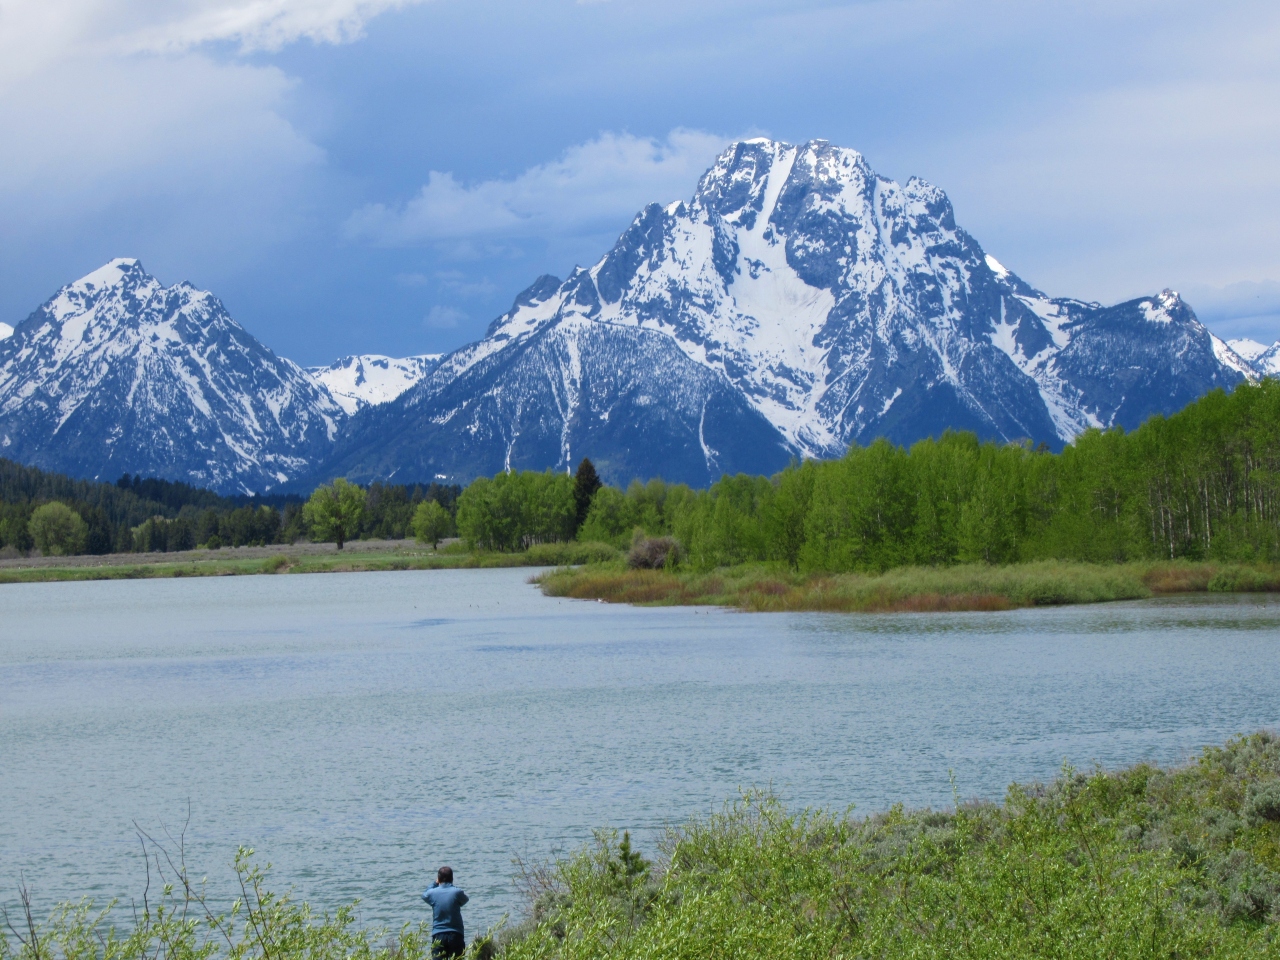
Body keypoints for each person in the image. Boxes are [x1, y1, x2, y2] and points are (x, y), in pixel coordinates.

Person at [422, 866, 469, 959]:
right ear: (452, 878)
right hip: (456, 934)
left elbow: (424, 895)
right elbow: (465, 899)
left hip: (438, 934)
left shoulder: (432, 893)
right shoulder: (457, 892)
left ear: (438, 879)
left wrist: (435, 883)